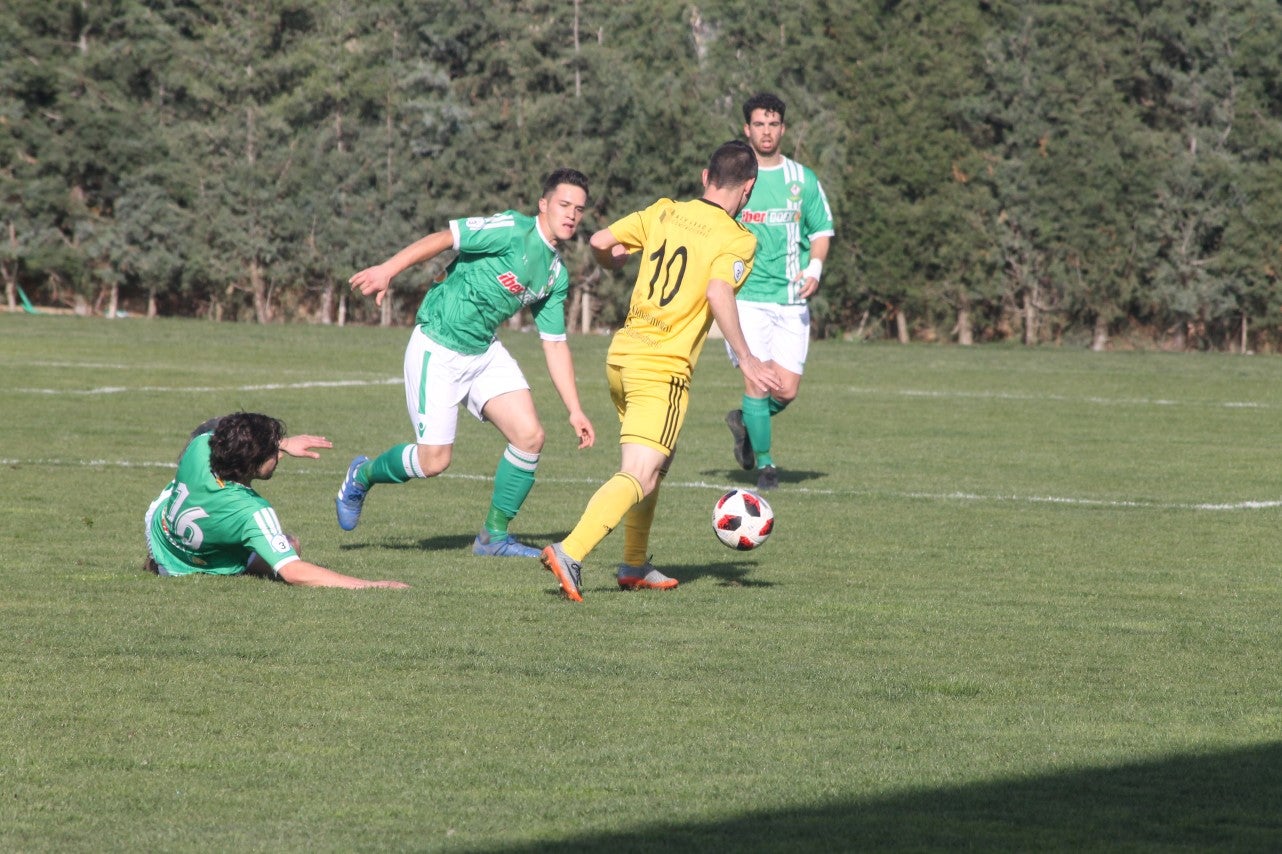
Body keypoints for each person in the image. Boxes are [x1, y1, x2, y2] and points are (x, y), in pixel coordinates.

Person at [540, 140, 782, 602]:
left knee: (656, 464)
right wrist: (748, 359)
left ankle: (634, 563)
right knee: (640, 470)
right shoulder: (737, 238)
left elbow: (599, 242)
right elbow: (718, 292)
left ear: (705, 176)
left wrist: (611, 263)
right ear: (748, 187)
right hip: (662, 368)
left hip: (622, 357)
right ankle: (570, 551)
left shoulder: (665, 210)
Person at [340, 169, 596, 557]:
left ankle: (493, 537)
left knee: (530, 437)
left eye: (579, 209)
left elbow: (556, 344)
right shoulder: (511, 229)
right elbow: (445, 238)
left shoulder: (555, 274)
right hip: (438, 345)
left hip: (483, 353)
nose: (572, 215)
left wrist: (575, 410)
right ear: (543, 204)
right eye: (564, 205)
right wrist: (388, 269)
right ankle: (362, 475)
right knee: (434, 462)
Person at [144, 412, 409, 589]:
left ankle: (158, 558)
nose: (279, 455)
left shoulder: (200, 447)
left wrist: (283, 442)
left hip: (159, 531)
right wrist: (370, 585)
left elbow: (222, 428)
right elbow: (293, 572)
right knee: (290, 545)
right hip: (185, 567)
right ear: (253, 462)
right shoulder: (253, 511)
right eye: (273, 451)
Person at [724, 92, 835, 491]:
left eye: (773, 124)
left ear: (783, 129)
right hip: (746, 298)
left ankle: (745, 421)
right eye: (759, 124)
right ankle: (766, 466)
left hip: (791, 299)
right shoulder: (737, 179)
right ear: (747, 129)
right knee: (758, 381)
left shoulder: (802, 180)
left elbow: (821, 231)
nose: (766, 131)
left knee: (785, 390)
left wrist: (815, 268)